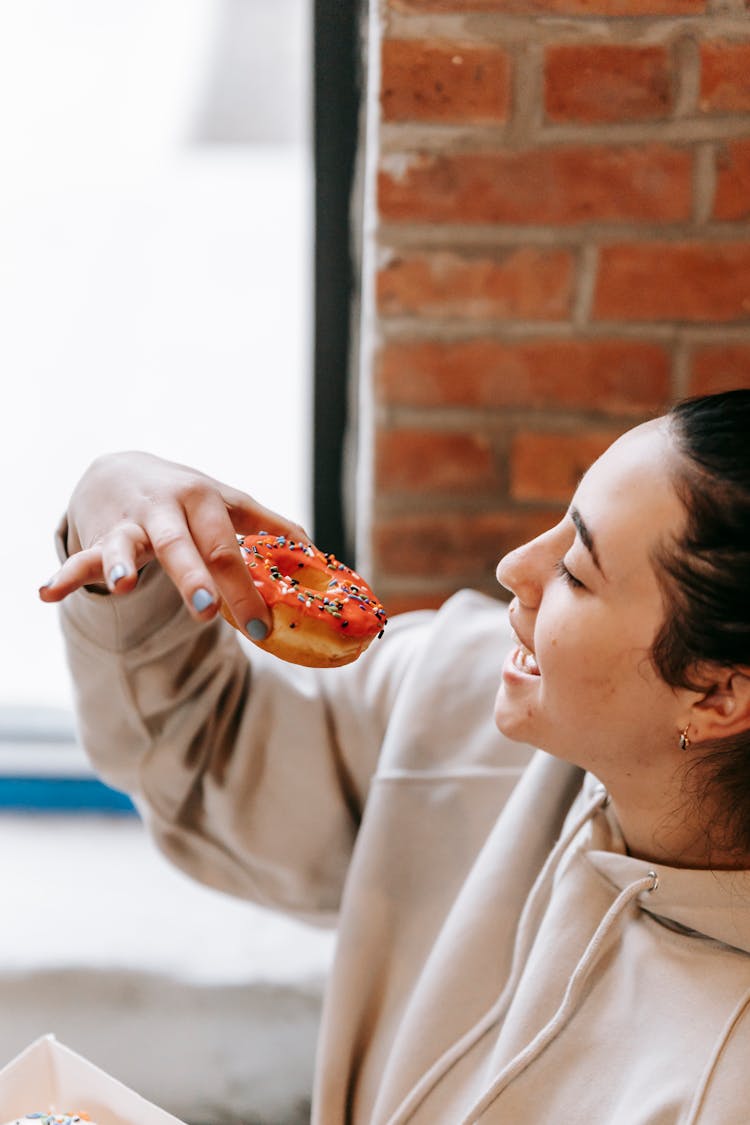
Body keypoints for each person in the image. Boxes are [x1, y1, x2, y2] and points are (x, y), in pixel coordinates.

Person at [40, 389, 750, 1124]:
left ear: (718, 692)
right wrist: (118, 512)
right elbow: (198, 750)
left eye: (575, 568)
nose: (514, 567)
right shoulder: (460, 690)